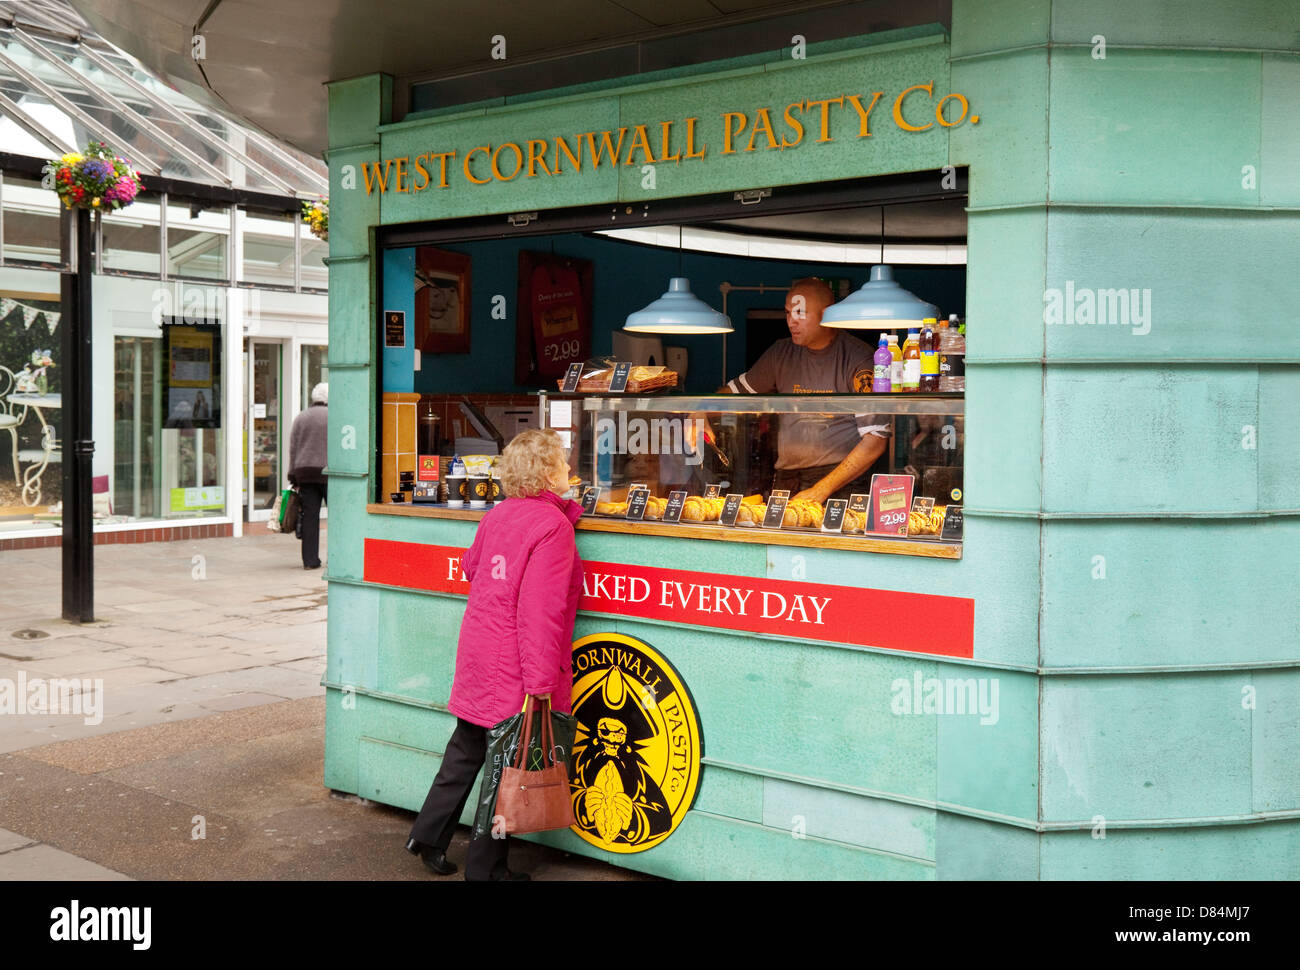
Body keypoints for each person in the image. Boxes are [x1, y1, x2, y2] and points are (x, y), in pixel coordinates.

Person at [405, 428, 584, 881]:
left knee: (465, 750)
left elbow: (471, 567)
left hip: (479, 653)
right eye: (562, 462)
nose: (569, 469)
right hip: (517, 666)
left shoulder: (498, 515)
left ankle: (426, 836)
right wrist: (541, 683)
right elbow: (541, 613)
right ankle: (487, 869)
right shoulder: (552, 527)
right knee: (505, 769)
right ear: (546, 473)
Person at [724, 277, 890, 502]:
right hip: (786, 478)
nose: (791, 321)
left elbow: (876, 440)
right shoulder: (780, 353)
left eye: (801, 313)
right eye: (787, 313)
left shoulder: (857, 358)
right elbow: (736, 393)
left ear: (827, 313)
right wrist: (700, 409)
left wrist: (822, 489)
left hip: (840, 482)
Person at [287, 382, 328, 569]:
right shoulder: (335, 416)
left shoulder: (301, 418)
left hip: (305, 473)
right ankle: (337, 558)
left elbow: (293, 448)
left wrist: (292, 474)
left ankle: (310, 561)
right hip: (329, 473)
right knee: (338, 518)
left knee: (310, 517)